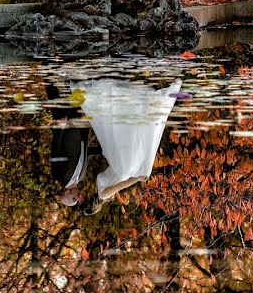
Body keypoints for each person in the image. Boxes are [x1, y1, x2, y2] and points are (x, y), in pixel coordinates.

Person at [72, 78, 182, 215]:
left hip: (121, 166)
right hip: (122, 166)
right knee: (120, 130)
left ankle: (137, 101)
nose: (83, 197)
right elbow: (121, 185)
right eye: (84, 200)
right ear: (90, 202)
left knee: (128, 132)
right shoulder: (104, 195)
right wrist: (136, 179)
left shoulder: (102, 194)